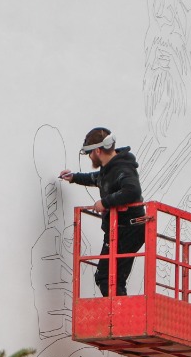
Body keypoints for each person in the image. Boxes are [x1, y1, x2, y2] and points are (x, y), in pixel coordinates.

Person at [59, 127, 145, 298]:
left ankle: (121, 320)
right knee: (108, 277)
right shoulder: (111, 169)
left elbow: (132, 190)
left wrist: (105, 202)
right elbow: (97, 179)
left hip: (128, 230)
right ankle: (120, 317)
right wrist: (74, 177)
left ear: (98, 151)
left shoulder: (121, 169)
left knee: (107, 278)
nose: (90, 157)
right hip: (121, 230)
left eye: (90, 153)